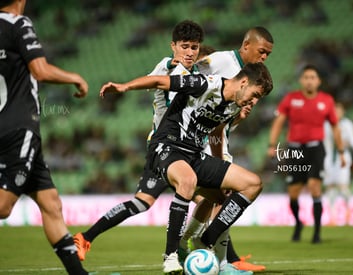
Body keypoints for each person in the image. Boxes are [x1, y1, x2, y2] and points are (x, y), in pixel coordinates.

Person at [99, 62, 273, 274]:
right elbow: (159, 81)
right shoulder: (204, 84)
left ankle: (205, 240)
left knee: (252, 184)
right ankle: (170, 255)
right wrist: (124, 87)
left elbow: (216, 131)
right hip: (168, 146)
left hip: (194, 156)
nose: (254, 102)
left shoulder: (234, 105)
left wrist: (222, 170)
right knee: (187, 180)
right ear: (244, 82)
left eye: (258, 99)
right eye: (255, 95)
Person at [73, 18, 203, 259]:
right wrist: (124, 86)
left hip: (184, 149)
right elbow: (153, 81)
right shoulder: (165, 67)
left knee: (143, 203)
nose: (189, 52)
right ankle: (192, 253)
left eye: (194, 47)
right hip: (165, 149)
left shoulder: (197, 73)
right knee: (208, 199)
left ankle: (85, 237)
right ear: (173, 45)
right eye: (184, 46)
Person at [0, 0, 91, 274]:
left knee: (51, 203)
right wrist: (74, 77)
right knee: (3, 207)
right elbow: (40, 70)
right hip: (20, 127)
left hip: (9, 125)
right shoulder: (18, 24)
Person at [181, 26, 273, 272]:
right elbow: (187, 75)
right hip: (200, 141)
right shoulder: (221, 61)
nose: (264, 58)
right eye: (262, 52)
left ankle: (192, 247)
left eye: (268, 55)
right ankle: (218, 260)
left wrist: (238, 117)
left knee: (216, 200)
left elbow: (222, 122)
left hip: (217, 139)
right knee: (225, 197)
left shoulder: (248, 76)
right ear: (246, 45)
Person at [267, 64, 345, 244]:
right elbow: (279, 121)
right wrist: (272, 144)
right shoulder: (291, 98)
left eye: (313, 77)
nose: (309, 81)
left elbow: (335, 127)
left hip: (316, 149)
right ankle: (298, 223)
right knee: (293, 193)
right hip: (295, 150)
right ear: (301, 80)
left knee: (314, 186)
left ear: (318, 81)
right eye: (306, 77)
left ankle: (317, 233)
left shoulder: (326, 101)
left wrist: (341, 151)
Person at [323, 102, 353, 225]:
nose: (336, 114)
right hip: (328, 160)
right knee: (330, 187)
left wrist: (344, 141)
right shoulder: (326, 124)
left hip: (343, 158)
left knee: (343, 186)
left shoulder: (347, 124)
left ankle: (348, 214)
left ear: (343, 112)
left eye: (338, 111)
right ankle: (333, 218)